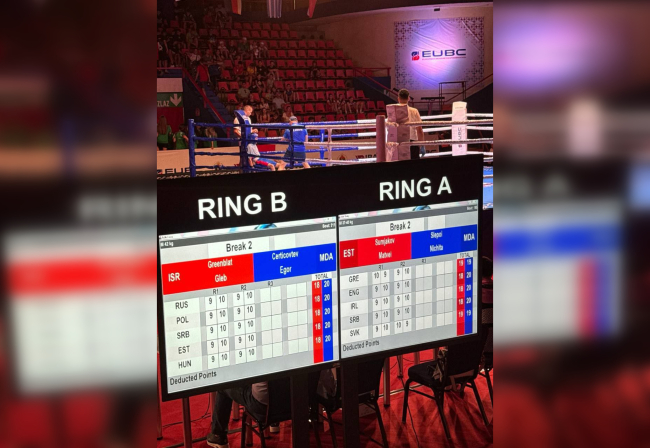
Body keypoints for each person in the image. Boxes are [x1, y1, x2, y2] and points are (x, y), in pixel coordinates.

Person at [397, 88, 424, 159]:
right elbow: (419, 130)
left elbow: (389, 128)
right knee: (414, 164)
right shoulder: (414, 111)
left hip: (399, 142)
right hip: (412, 142)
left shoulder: (394, 110)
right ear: (408, 98)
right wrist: (422, 145)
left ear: (398, 98)